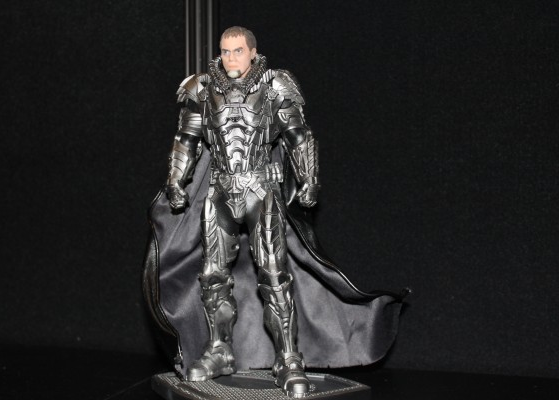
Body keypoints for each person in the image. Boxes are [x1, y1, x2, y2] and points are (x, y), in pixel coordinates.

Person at [143, 26, 406, 399]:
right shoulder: (201, 89)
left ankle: (287, 357)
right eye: (225, 51)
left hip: (260, 189)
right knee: (212, 276)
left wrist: (309, 179)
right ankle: (219, 350)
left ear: (252, 52)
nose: (230, 58)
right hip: (220, 191)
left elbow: (298, 136)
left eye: (237, 50)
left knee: (274, 275)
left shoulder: (274, 85)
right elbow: (186, 140)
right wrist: (175, 181)